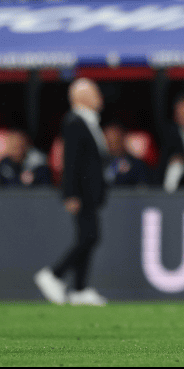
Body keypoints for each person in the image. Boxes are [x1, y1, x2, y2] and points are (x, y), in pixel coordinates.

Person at [33, 78, 109, 307]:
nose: (100, 97)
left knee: (88, 237)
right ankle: (53, 275)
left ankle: (79, 290)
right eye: (95, 93)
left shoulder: (87, 121)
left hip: (89, 193)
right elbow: (71, 160)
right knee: (89, 237)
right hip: (81, 192)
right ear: (81, 98)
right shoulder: (75, 122)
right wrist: (71, 193)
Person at [103, 121, 151, 186]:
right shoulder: (100, 163)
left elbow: (142, 187)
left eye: (115, 141)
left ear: (122, 139)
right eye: (108, 141)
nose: (111, 145)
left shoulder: (136, 165)